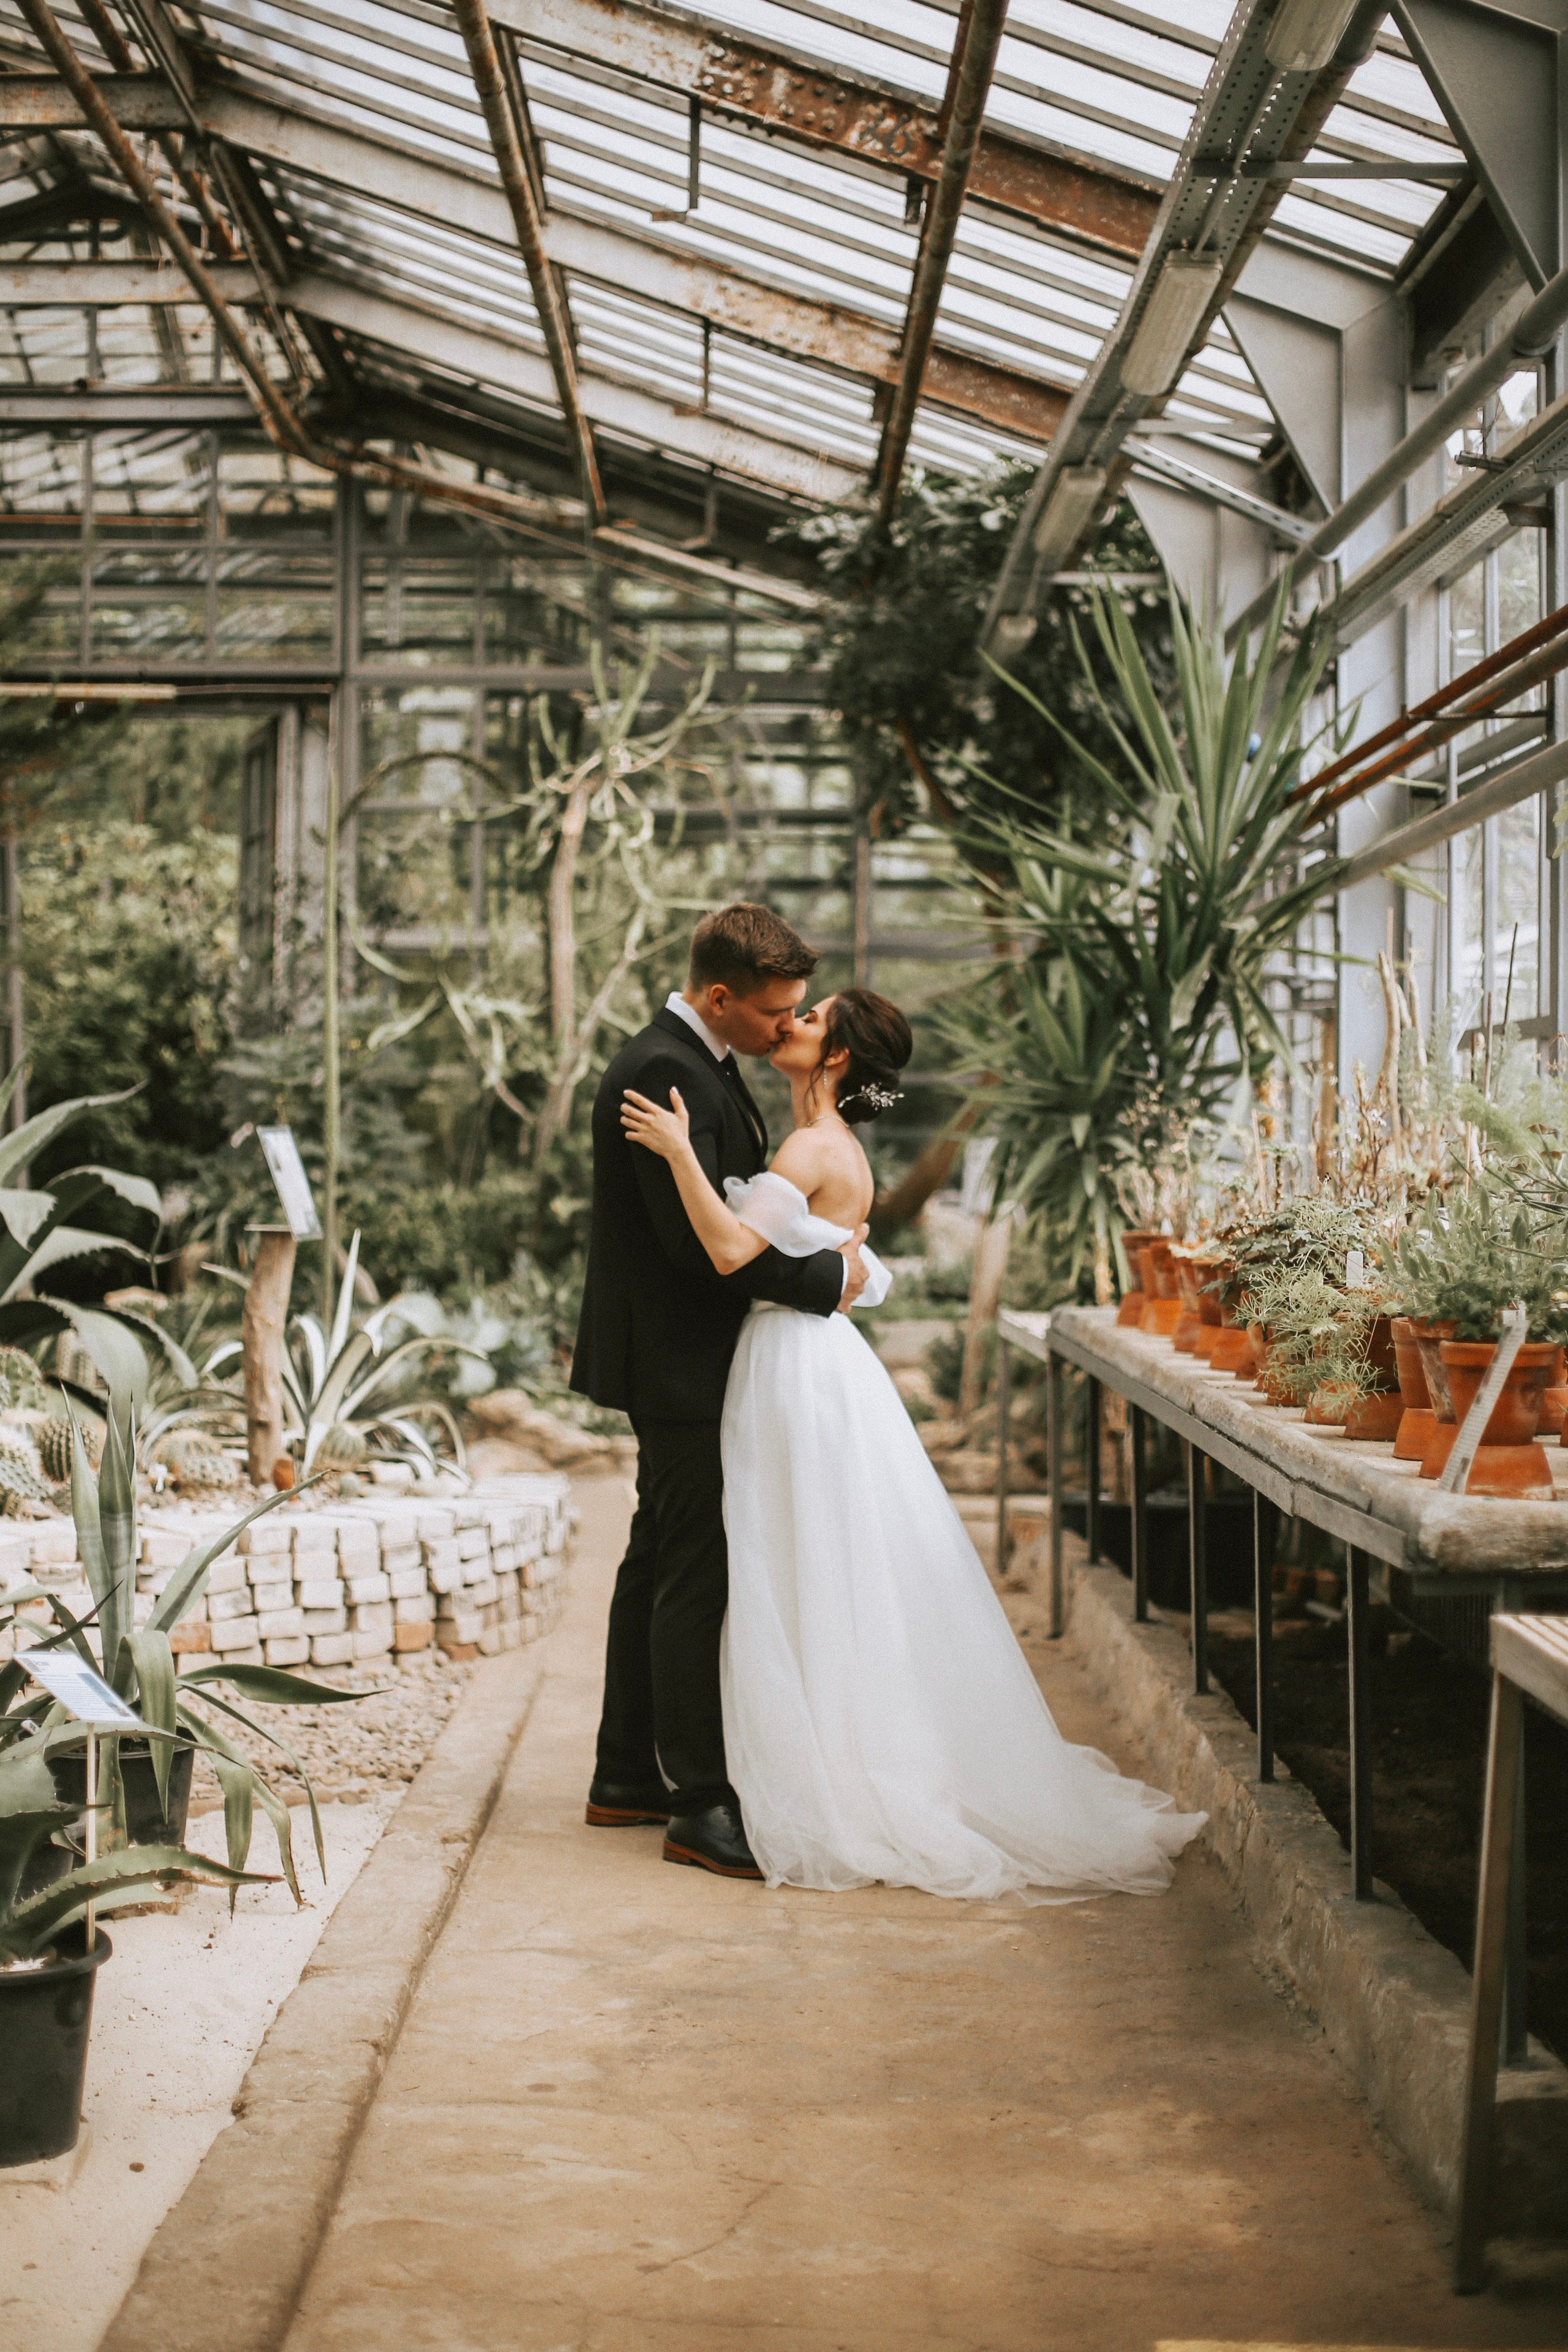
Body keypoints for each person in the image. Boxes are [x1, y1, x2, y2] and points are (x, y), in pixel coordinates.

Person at [619, 981, 1208, 1902]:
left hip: (792, 1369)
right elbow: (822, 1252)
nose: (791, 1023)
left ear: (839, 1057)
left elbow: (734, 1252)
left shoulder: (817, 1145)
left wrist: (677, 1154)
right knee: (808, 1557)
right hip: (804, 1361)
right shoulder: (829, 1143)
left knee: (794, 1555)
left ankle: (825, 1771)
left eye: (809, 1020)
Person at [571, 904, 869, 1879]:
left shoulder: (702, 1059)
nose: (787, 1028)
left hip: (682, 1356)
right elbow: (706, 1256)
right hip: (680, 1359)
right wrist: (829, 1283)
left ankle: (625, 1773)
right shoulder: (665, 1070)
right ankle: (698, 1801)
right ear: (719, 998)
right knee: (695, 1572)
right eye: (776, 1012)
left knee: (660, 1554)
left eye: (796, 1013)